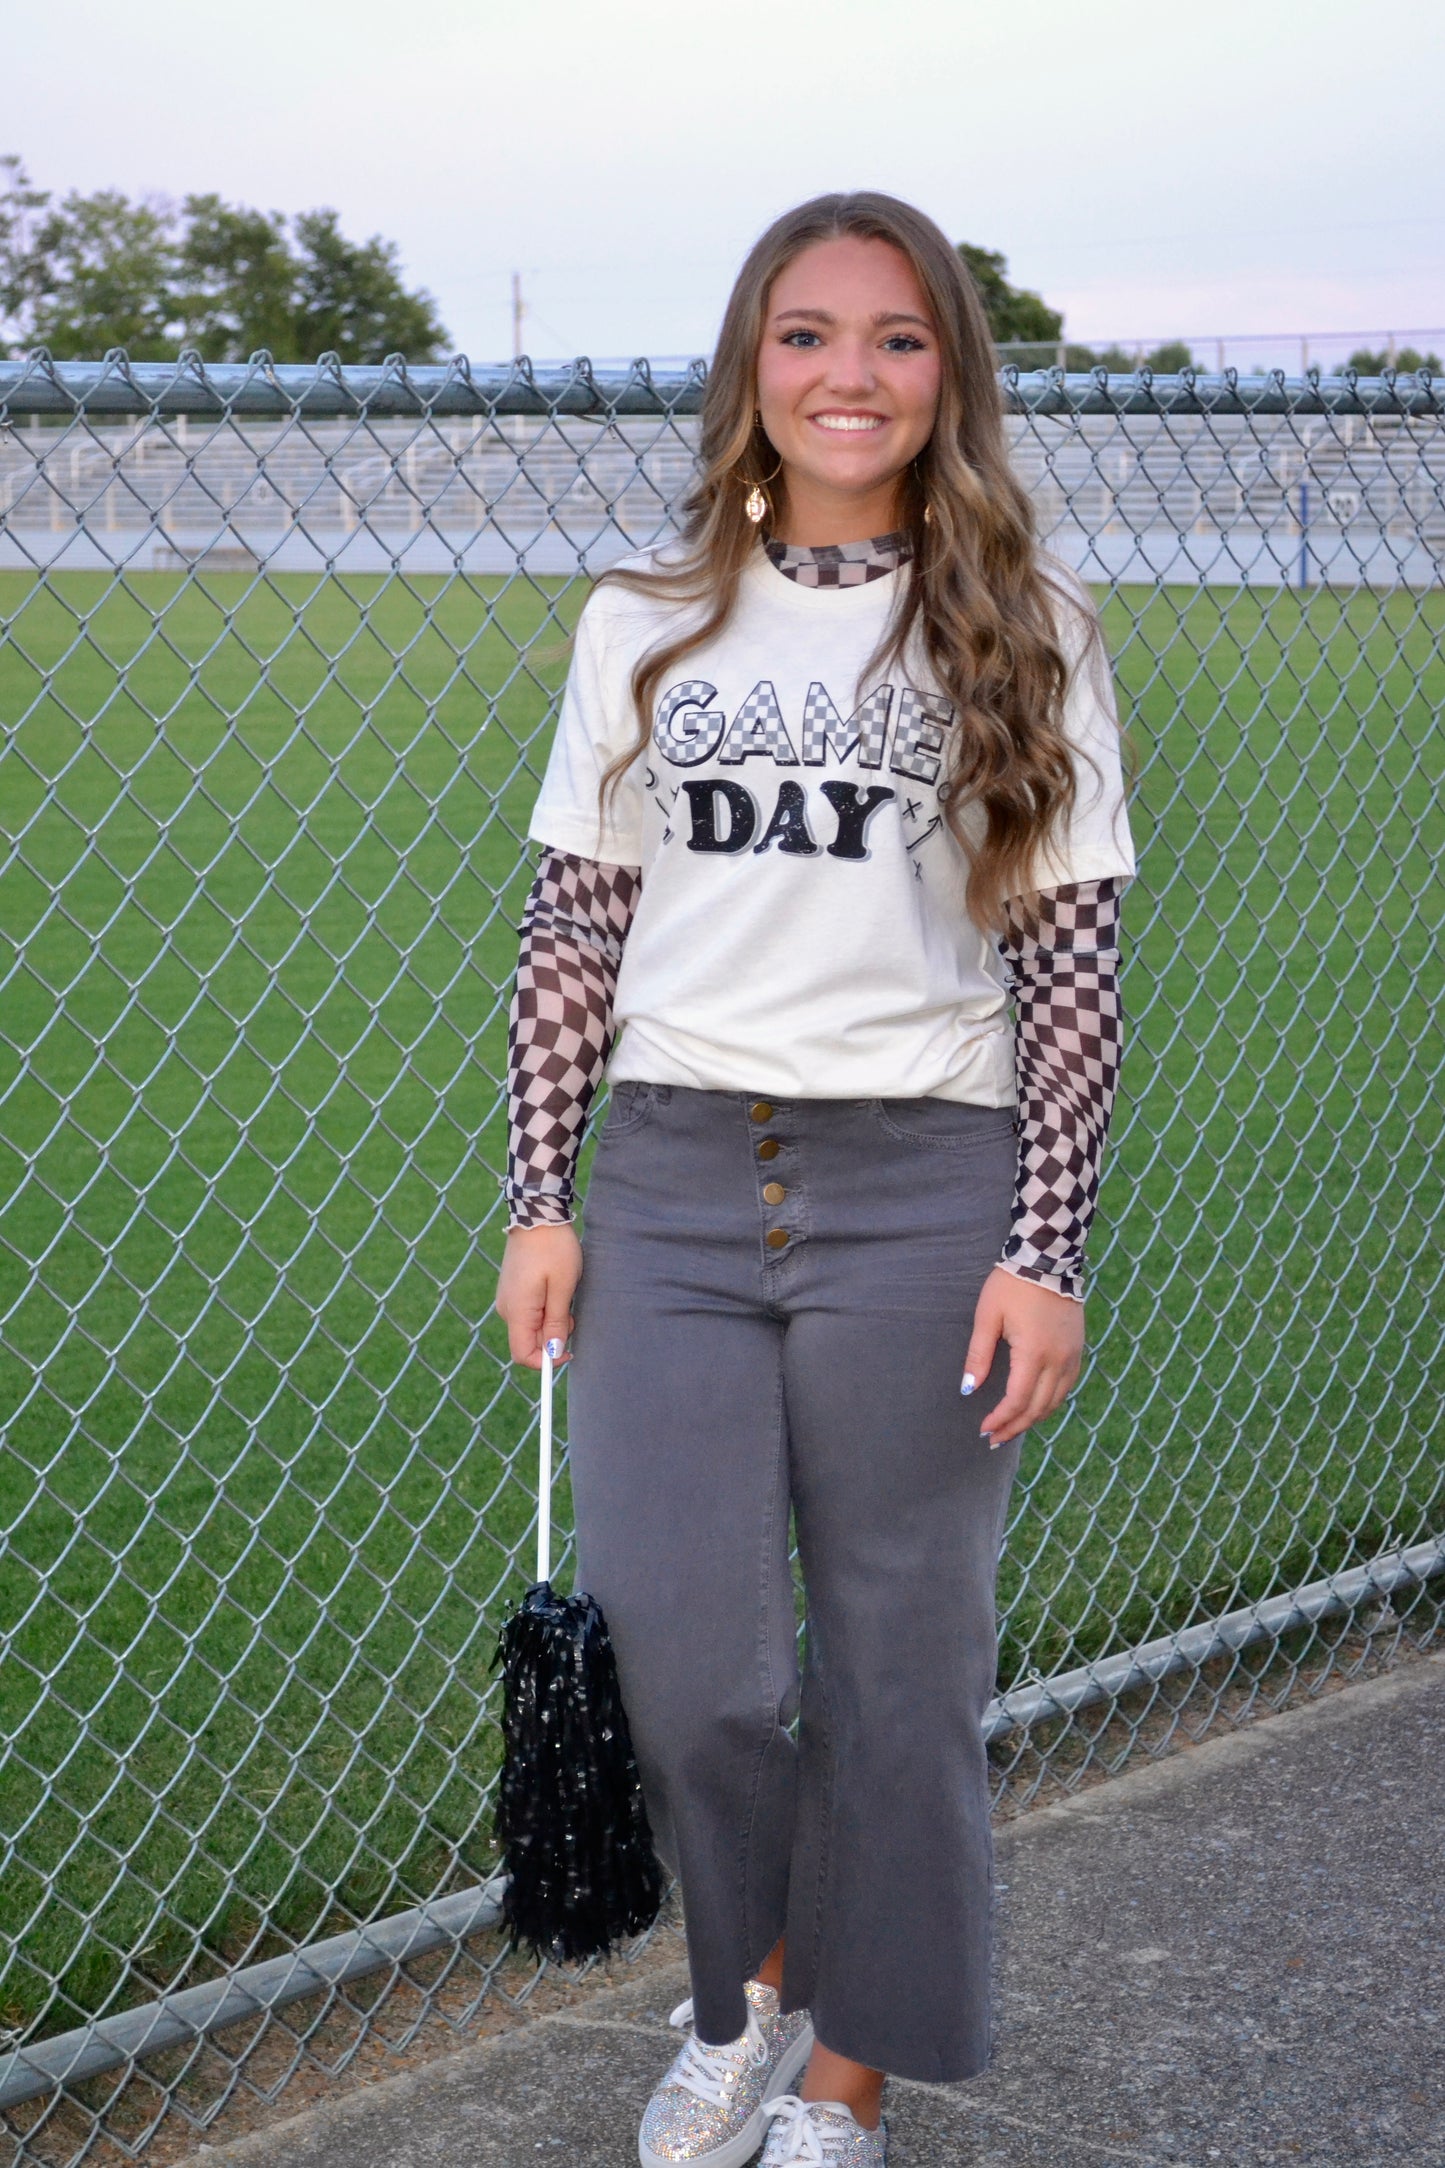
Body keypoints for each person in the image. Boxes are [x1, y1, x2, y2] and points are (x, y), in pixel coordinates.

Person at [495, 190, 1135, 2168]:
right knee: (693, 1667)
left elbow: (1072, 964)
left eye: (894, 338)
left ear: (949, 372)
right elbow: (572, 938)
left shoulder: (1025, 625)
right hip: (677, 1183)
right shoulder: (642, 620)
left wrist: (1047, 1247)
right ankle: (745, 1987)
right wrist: (542, 1191)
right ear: (748, 368)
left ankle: (839, 2091)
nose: (848, 376)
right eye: (806, 335)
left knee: (898, 1674)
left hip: (925, 1191)